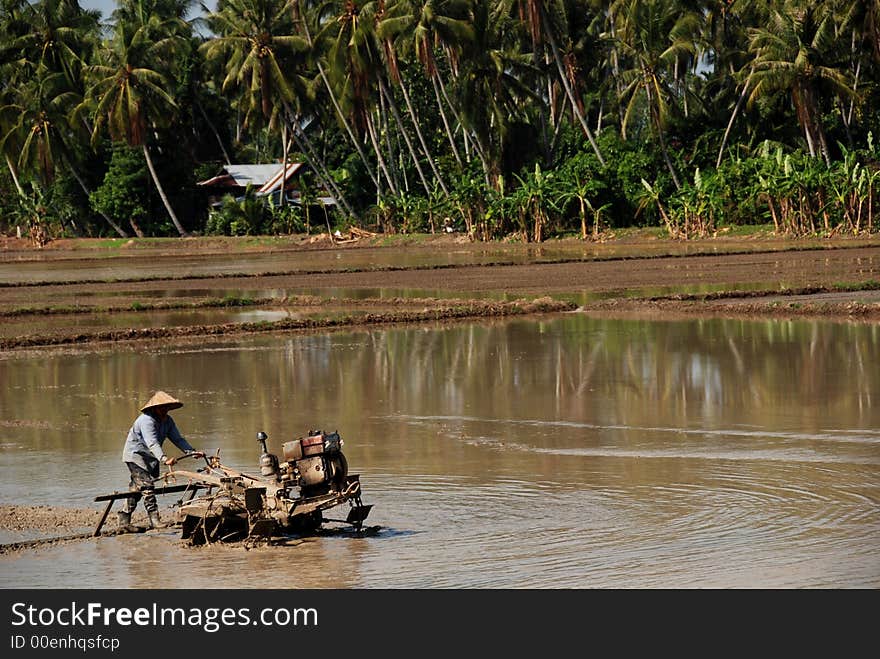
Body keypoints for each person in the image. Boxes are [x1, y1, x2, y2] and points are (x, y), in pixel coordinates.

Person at [118, 391, 201, 531]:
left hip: (149, 458)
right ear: (154, 408)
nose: (164, 410)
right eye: (162, 407)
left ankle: (124, 519)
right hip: (135, 456)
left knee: (137, 489)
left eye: (167, 407)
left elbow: (177, 439)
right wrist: (164, 459)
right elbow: (152, 443)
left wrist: (192, 452)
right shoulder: (146, 420)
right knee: (147, 486)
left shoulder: (168, 421)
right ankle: (154, 519)